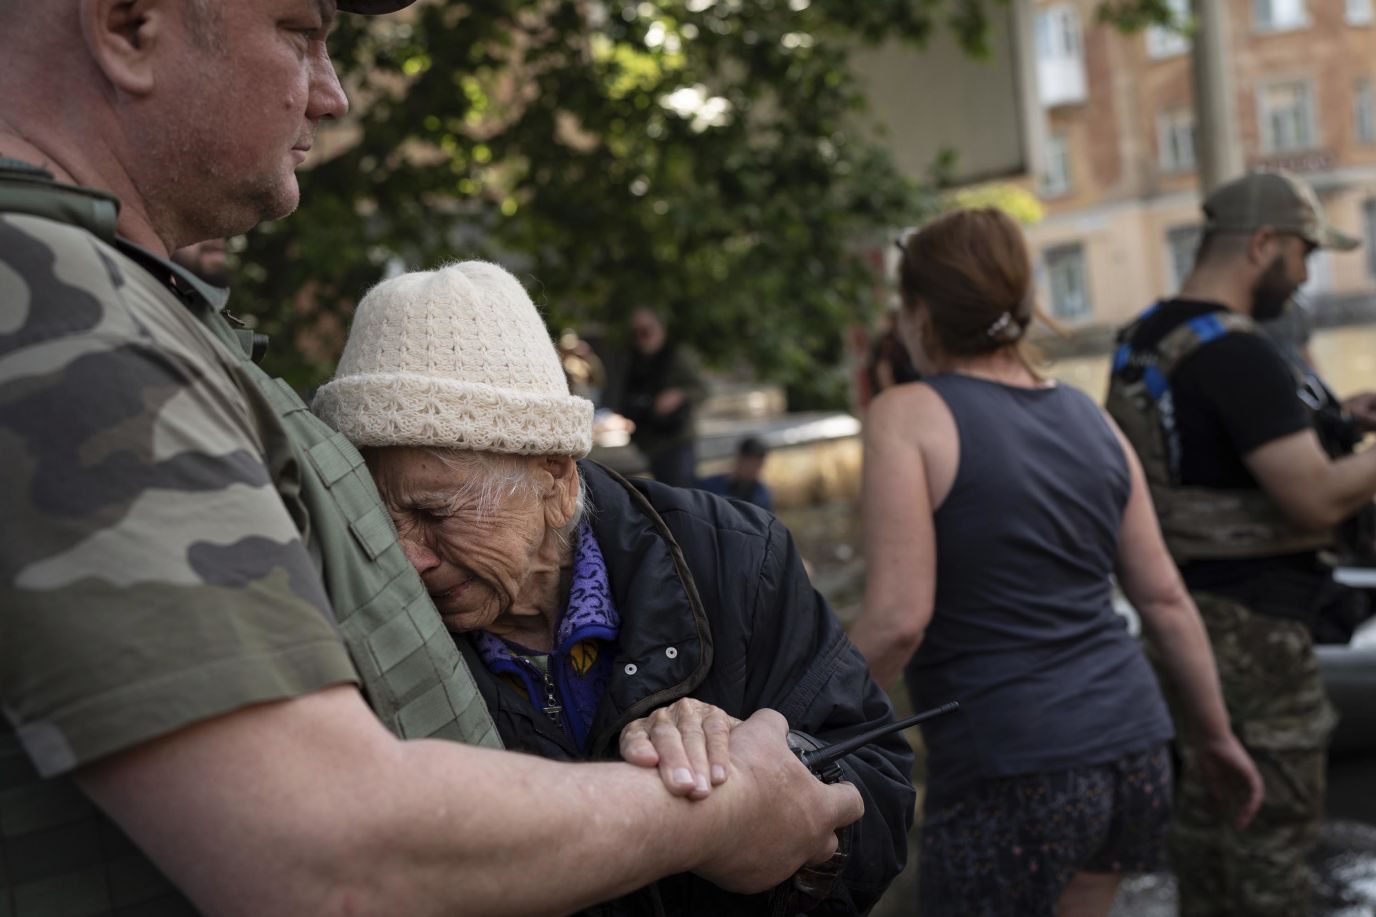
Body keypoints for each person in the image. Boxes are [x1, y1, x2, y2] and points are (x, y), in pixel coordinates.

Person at [0, 2, 865, 914]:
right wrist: (713, 816)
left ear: (557, 477)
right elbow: (325, 852)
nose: (331, 95)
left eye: (441, 509)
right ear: (130, 24)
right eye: (301, 31)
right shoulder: (60, 321)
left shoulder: (104, 301)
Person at [312, 260, 914, 915]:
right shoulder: (353, 624)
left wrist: (771, 774)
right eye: (377, 519)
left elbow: (880, 790)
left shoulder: (734, 555)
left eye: (433, 514)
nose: (405, 558)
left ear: (555, 477)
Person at [847, 208, 1262, 917]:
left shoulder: (907, 414)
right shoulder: (1090, 417)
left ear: (919, 313)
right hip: (1135, 749)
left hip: (1013, 764)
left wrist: (792, 722)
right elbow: (1164, 599)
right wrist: (1217, 737)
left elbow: (897, 619)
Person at [1106, 170, 1376, 916]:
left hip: (1178, 617)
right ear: (1263, 244)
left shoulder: (1146, 338)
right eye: (1303, 253)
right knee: (1272, 838)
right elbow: (1313, 495)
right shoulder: (1238, 353)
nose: (1307, 273)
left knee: (1206, 823)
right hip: (1252, 628)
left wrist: (1336, 424)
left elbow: (1202, 451)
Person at [608, 307, 706, 487]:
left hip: (676, 441)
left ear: (660, 329)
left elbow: (701, 390)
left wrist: (678, 395)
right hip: (649, 443)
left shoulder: (676, 357)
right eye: (636, 333)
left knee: (681, 497)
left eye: (646, 331)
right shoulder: (632, 360)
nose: (641, 338)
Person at [697, 436, 775, 512]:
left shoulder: (761, 495)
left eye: (757, 466)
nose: (752, 470)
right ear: (739, 459)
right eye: (748, 464)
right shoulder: (710, 487)